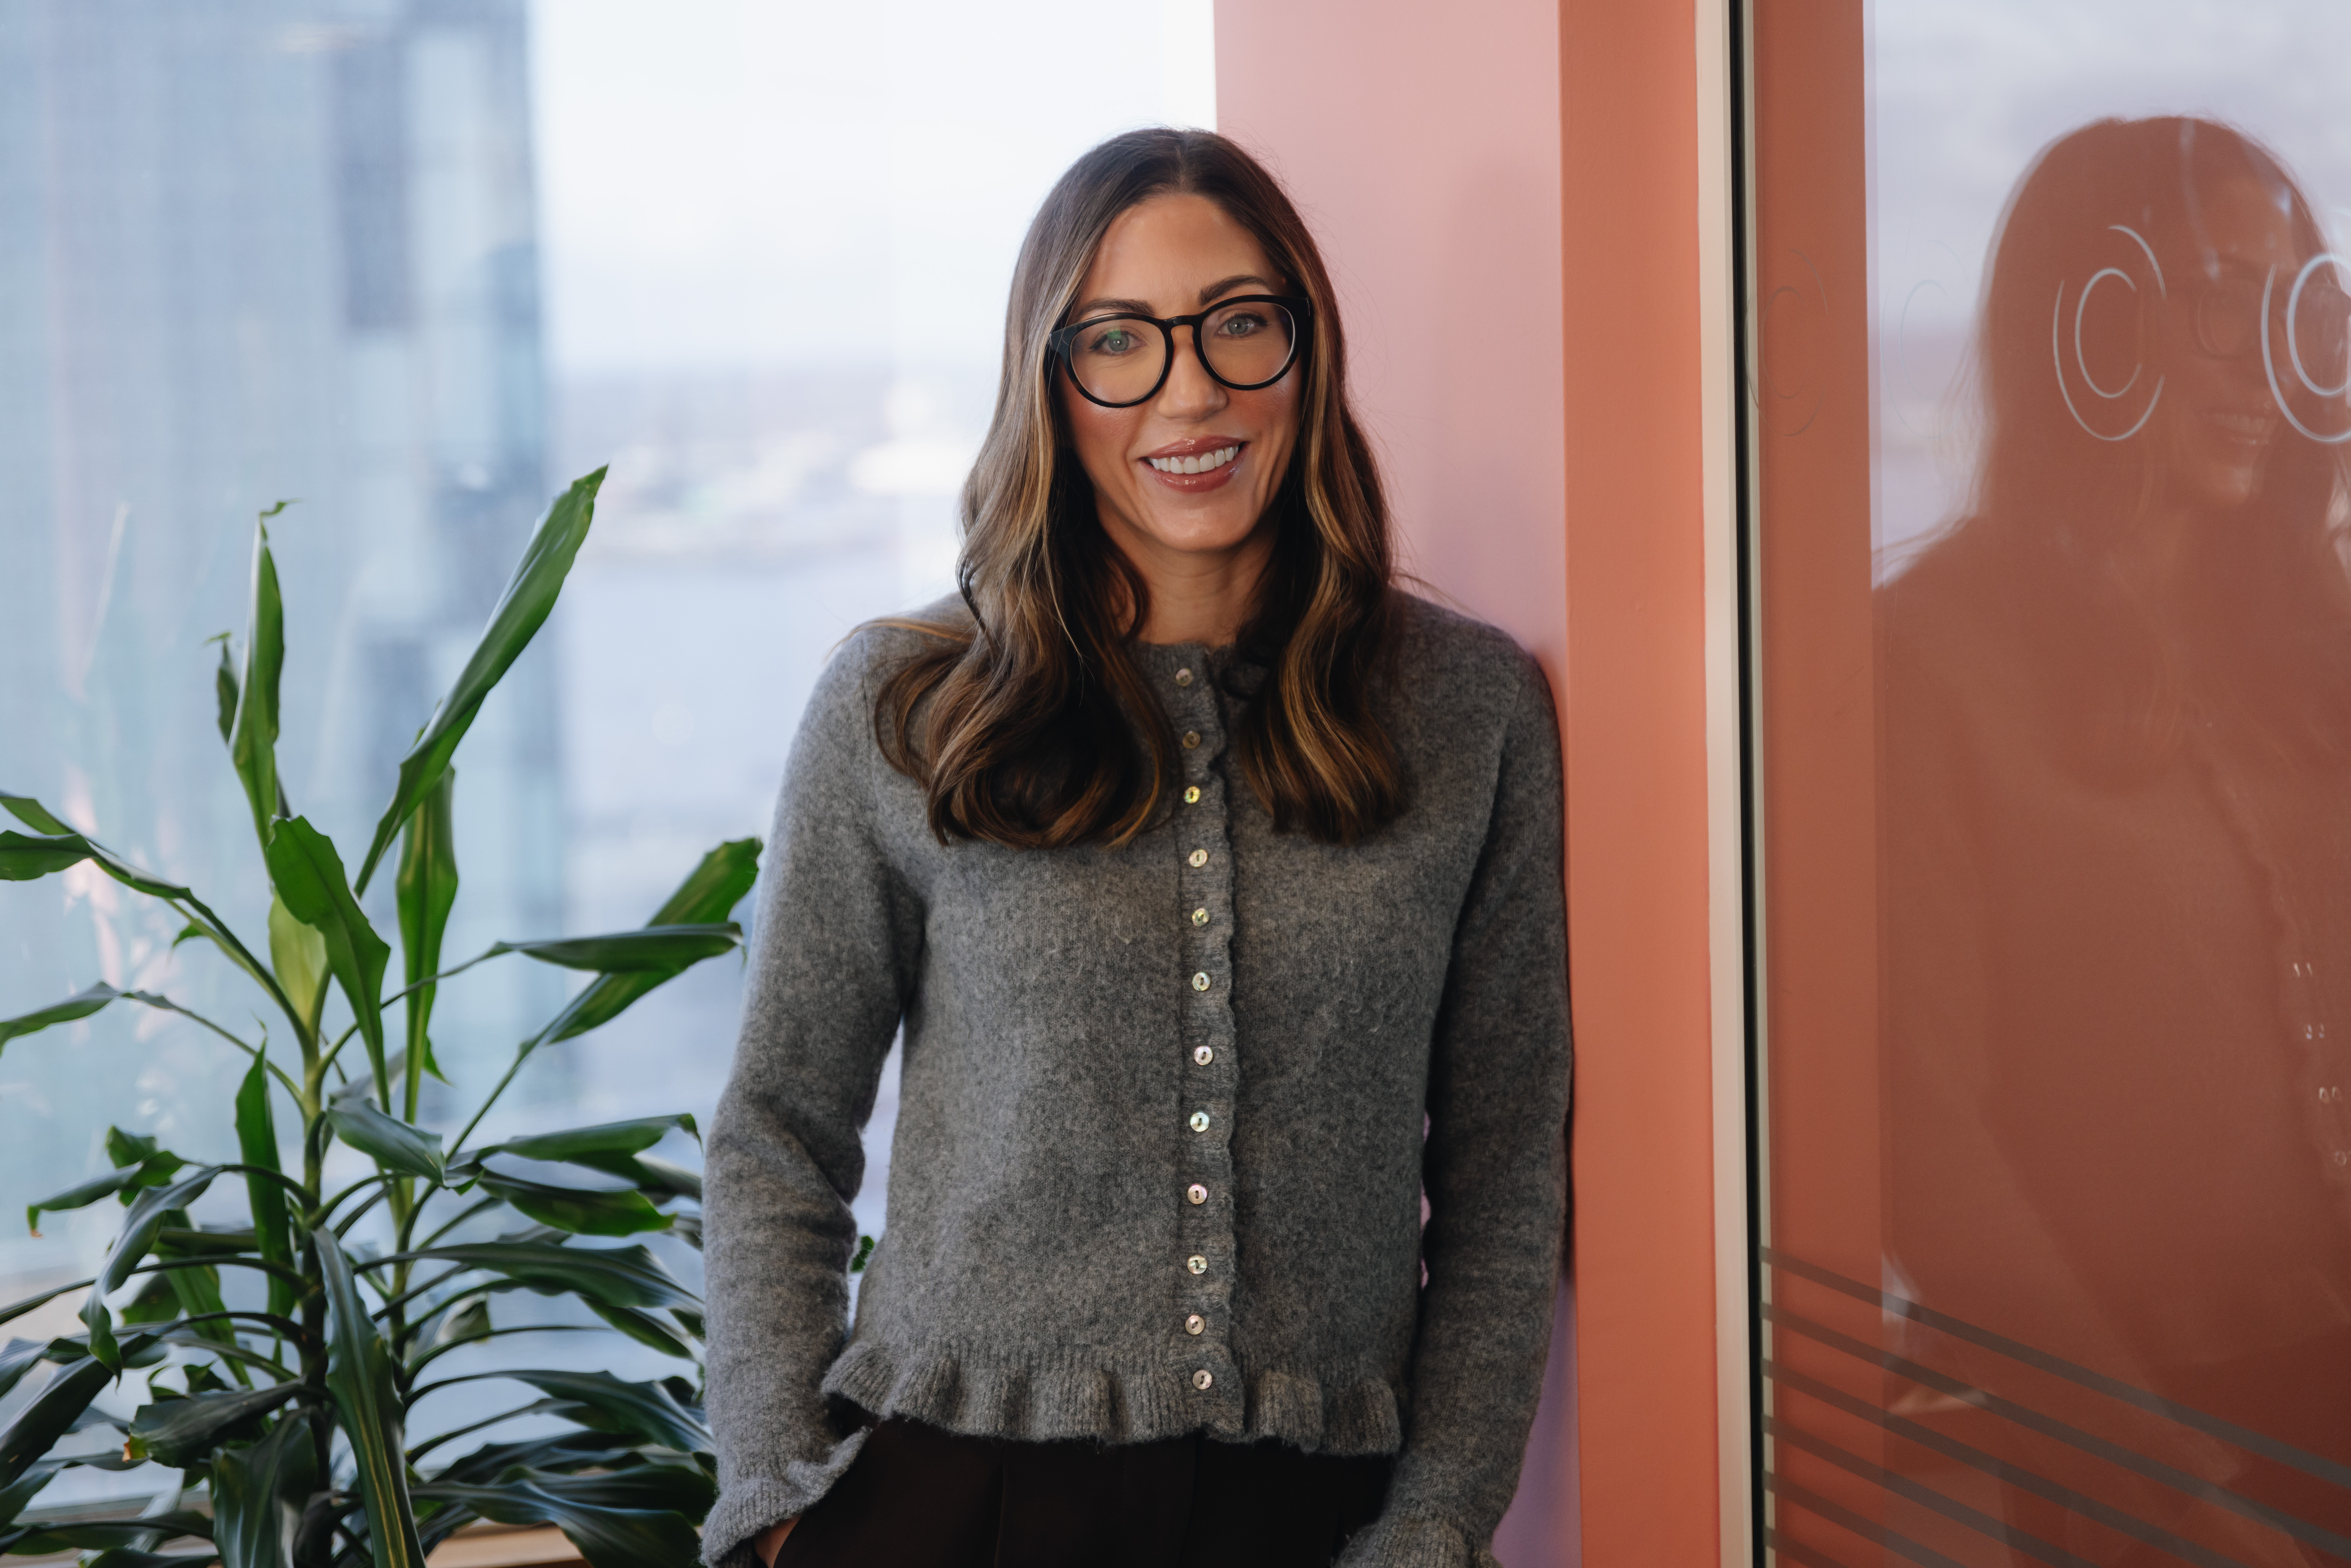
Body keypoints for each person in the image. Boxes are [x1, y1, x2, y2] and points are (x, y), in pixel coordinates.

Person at [697, 129, 1571, 1568]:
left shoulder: (1466, 711)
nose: (1190, 390)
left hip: (1316, 1521)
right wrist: (776, 1501)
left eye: (1239, 323)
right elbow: (778, 1130)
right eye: (1118, 340)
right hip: (950, 1508)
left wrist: (1434, 1524)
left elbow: (1503, 1169)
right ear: (1050, 380)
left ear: (1306, 348)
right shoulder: (906, 705)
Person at [1880, 116, 2351, 1560]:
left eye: (2291, 307)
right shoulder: (1923, 663)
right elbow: (1924, 1138)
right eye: (2215, 298)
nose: (2261, 363)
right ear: (2082, 324)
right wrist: (2163, 1490)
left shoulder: (2314, 637)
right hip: (2146, 1451)